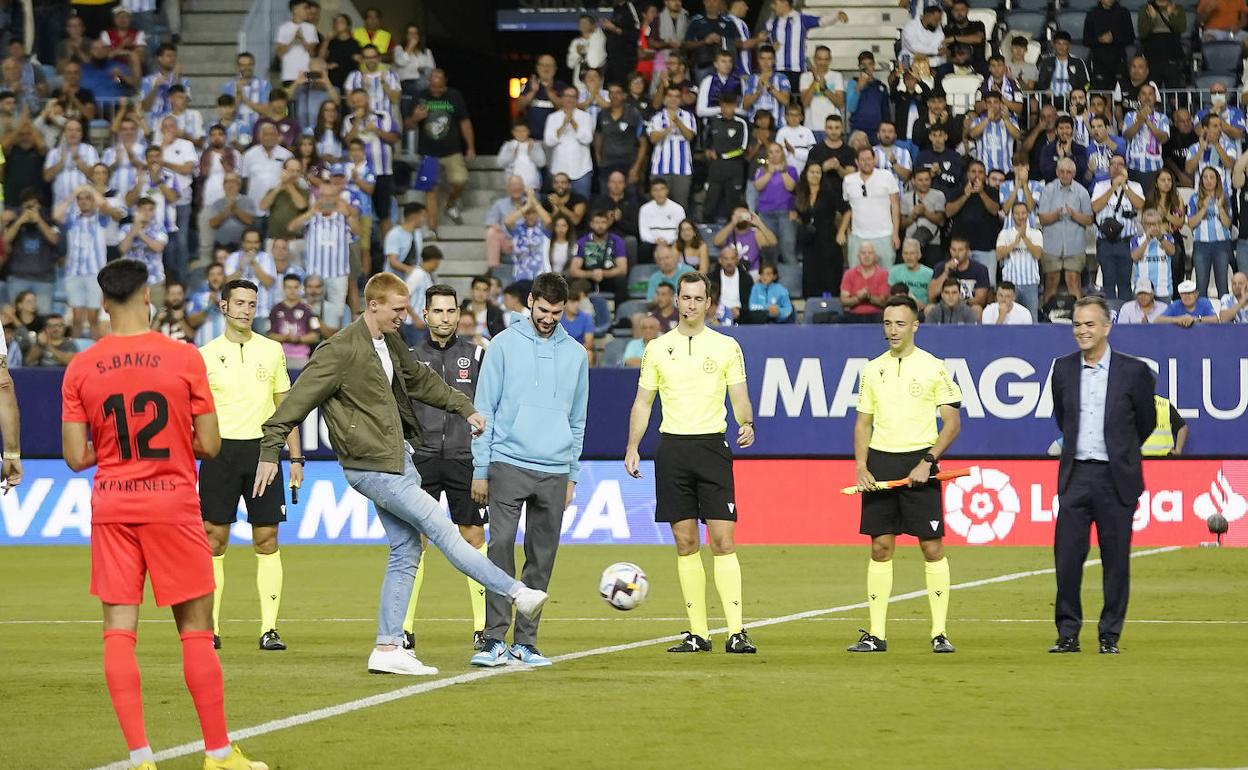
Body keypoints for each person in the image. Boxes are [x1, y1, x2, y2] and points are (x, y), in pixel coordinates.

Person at [254, 273, 547, 675]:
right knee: (442, 530)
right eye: (397, 309)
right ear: (373, 305)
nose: (403, 316)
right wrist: (272, 451)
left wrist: (465, 408)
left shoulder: (389, 341)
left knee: (406, 549)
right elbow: (295, 404)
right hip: (370, 465)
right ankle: (516, 593)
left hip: (397, 459)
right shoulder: (338, 350)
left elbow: (420, 380)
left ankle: (388, 647)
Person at [60, 259, 267, 770]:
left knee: (118, 632)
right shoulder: (184, 358)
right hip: (172, 506)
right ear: (148, 296)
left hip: (112, 506)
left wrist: (111, 452)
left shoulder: (81, 367)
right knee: (196, 630)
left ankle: (140, 759)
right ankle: (218, 755)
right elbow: (212, 444)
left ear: (104, 303)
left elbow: (73, 456)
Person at [622, 270, 755, 654]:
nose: (692, 304)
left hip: (712, 448)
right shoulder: (657, 348)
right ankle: (698, 633)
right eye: (686, 298)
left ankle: (736, 631)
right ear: (676, 301)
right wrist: (633, 446)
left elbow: (739, 394)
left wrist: (746, 422)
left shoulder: (727, 346)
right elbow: (643, 402)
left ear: (708, 303)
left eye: (699, 298)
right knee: (684, 543)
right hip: (672, 450)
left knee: (723, 540)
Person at [466, 273, 587, 668]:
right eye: (542, 310)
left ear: (564, 308)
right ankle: (493, 640)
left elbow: (577, 420)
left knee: (541, 557)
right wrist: (481, 468)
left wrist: (571, 474)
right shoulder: (502, 345)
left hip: (554, 467)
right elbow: (484, 409)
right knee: (499, 547)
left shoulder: (576, 354)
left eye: (556, 312)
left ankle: (526, 643)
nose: (548, 318)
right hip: (507, 461)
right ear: (530, 302)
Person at [849, 293, 961, 655]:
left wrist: (928, 461)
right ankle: (877, 634)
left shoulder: (934, 366)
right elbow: (863, 423)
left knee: (931, 547)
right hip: (881, 463)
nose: (893, 330)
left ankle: (939, 633)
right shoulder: (872, 369)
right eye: (887, 323)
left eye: (900, 323)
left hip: (920, 461)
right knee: (880, 548)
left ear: (915, 325)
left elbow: (952, 423)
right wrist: (862, 466)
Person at [196, 278, 301, 652]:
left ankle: (269, 629)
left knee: (267, 538)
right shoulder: (204, 354)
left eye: (251, 304)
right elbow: (195, 412)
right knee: (214, 540)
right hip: (219, 454)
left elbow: (286, 408)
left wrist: (296, 457)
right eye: (238, 302)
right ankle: (210, 629)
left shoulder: (272, 351)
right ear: (223, 306)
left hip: (264, 454)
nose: (245, 309)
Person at [1049, 296, 1156, 655]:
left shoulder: (1134, 371)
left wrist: (1121, 451)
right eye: (1077, 324)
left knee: (1115, 561)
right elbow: (1063, 418)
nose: (1082, 331)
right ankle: (1067, 633)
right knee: (1066, 560)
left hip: (1115, 478)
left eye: (1089, 324)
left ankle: (1109, 635)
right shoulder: (1062, 369)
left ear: (1107, 326)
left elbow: (1145, 422)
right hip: (1075, 475)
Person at [399, 284, 491, 652]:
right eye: (437, 311)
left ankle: (483, 628)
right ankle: (404, 628)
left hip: (464, 458)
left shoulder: (478, 356)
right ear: (425, 314)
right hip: (420, 459)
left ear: (459, 314)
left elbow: (488, 411)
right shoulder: (408, 357)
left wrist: (483, 462)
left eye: (451, 311)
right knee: (413, 542)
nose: (445, 318)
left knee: (473, 537)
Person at [1040, 158, 1095, 303]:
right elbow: (1042, 219)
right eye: (1062, 171)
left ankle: (1077, 316)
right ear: (1057, 172)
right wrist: (1056, 215)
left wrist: (1074, 215)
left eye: (1068, 172)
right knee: (1051, 281)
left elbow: (1089, 220)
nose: (1065, 175)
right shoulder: (1048, 190)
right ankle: (1047, 315)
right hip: (1051, 244)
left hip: (1075, 245)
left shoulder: (1082, 192)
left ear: (1074, 174)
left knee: (1074, 280)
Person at [838, 145, 900, 268]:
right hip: (858, 237)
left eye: (869, 159)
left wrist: (895, 234)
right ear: (856, 162)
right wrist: (848, 231)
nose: (866, 163)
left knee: (886, 276)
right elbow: (847, 208)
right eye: (862, 160)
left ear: (874, 159)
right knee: (856, 275)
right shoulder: (848, 180)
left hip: (884, 235)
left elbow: (895, 206)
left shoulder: (886, 176)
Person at [945, 160, 1001, 284]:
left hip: (986, 247)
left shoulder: (992, 191)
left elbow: (994, 210)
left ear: (985, 176)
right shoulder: (957, 191)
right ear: (967, 174)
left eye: (980, 172)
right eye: (973, 172)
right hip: (961, 249)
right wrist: (965, 195)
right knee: (957, 282)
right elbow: (949, 212)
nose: (977, 175)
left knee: (988, 283)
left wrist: (981, 192)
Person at [1186, 166, 1234, 300]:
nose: (1208, 180)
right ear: (1201, 181)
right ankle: (1203, 319)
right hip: (1201, 245)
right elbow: (1191, 224)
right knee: (1201, 286)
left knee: (1223, 285)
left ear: (1217, 180)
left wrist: (1219, 207)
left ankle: (1225, 319)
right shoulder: (1194, 198)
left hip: (1221, 244)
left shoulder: (1225, 197)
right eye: (1205, 177)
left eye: (1212, 177)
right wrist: (1204, 208)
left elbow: (1227, 224)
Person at [647, 85, 697, 210]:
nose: (673, 99)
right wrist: (668, 129)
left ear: (681, 99)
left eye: (677, 96)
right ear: (665, 98)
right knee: (658, 207)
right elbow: (653, 138)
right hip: (660, 169)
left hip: (683, 169)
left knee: (680, 207)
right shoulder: (656, 117)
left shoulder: (688, 116)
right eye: (670, 96)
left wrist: (678, 122)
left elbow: (690, 136)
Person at [544, 86, 595, 199]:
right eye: (566, 96)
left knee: (582, 205)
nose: (569, 99)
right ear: (562, 98)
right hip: (559, 170)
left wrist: (573, 122)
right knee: (558, 205)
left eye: (572, 96)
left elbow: (588, 139)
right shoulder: (552, 117)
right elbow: (549, 141)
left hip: (581, 170)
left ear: (577, 99)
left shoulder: (585, 117)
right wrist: (563, 124)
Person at [995, 201, 1044, 319]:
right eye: (1017, 213)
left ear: (1028, 214)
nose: (1020, 216)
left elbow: (1038, 255)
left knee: (1031, 319)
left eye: (1023, 213)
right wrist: (1015, 242)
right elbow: (999, 255)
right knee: (1010, 318)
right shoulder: (1005, 233)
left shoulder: (1036, 233)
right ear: (1012, 215)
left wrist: (1024, 237)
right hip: (1010, 284)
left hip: (1030, 283)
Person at [1121, 84, 1169, 194]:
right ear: (1138, 98)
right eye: (1143, 94)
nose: (1147, 97)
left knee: (1153, 203)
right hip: (1133, 168)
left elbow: (1163, 138)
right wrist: (1140, 120)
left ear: (1155, 98)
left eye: (1150, 94)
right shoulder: (1130, 116)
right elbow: (1126, 135)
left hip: (1154, 169)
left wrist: (1148, 122)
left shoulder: (1162, 118)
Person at [927, 236, 990, 318]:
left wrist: (959, 303)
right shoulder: (941, 267)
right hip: (944, 306)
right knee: (929, 309)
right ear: (950, 250)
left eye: (960, 250)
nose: (956, 254)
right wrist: (946, 273)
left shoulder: (980, 269)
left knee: (977, 309)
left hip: (967, 306)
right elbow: (931, 295)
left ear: (967, 251)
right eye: (953, 249)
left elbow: (981, 299)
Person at [267, 273, 321, 366]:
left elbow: (316, 336)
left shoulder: (308, 310)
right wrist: (285, 338)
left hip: (302, 359)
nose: (292, 291)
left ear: (301, 288)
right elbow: (269, 335)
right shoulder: (275, 310)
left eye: (295, 287)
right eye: (289, 287)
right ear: (283, 288)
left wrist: (298, 339)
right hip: (279, 358)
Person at [1084, 0, 1134, 91]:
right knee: (1101, 93)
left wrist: (1114, 39)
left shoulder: (1124, 13)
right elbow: (1086, 40)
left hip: (1119, 61)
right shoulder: (1092, 14)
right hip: (1099, 62)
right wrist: (1099, 40)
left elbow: (1130, 37)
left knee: (1121, 91)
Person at [1129, 209, 1175, 301]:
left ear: (1160, 224)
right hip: (1142, 289)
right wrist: (1147, 240)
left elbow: (1171, 251)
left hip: (1164, 290)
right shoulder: (1136, 240)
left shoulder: (1167, 238)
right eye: (1148, 224)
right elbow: (1134, 257)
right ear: (1143, 225)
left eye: (1155, 224)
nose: (1152, 227)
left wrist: (1160, 238)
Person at [839, 241, 890, 322]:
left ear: (875, 256)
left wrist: (868, 297)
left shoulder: (883, 274)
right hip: (853, 315)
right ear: (858, 256)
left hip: (877, 316)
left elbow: (884, 302)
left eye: (870, 253)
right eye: (863, 253)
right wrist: (858, 298)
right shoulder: (849, 274)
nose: (867, 256)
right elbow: (844, 301)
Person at [1037, 31, 1091, 101]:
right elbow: (1040, 83)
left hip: (1072, 101)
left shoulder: (1078, 63)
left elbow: (1086, 84)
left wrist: (1074, 94)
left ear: (1069, 46)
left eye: (1064, 44)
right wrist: (1045, 91)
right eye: (1058, 43)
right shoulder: (1046, 62)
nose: (1061, 47)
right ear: (1054, 45)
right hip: (1050, 101)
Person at [1157, 279, 1221, 326]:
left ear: (1196, 294)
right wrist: (1178, 320)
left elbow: (1215, 320)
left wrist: (1194, 319)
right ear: (1180, 295)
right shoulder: (1175, 305)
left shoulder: (1204, 302)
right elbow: (1158, 320)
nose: (1186, 296)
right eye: (1184, 293)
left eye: (1189, 293)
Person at [560, 281, 596, 362]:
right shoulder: (558, 317)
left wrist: (573, 352)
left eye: (578, 301)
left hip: (580, 351)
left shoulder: (587, 317)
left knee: (588, 354)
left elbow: (589, 343)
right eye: (573, 302)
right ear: (565, 303)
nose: (577, 305)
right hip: (561, 351)